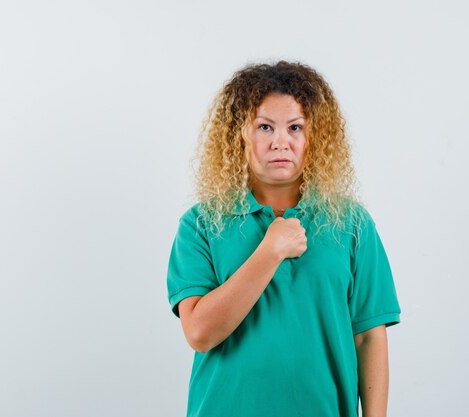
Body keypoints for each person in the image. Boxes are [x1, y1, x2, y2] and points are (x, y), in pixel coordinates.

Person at [166, 60, 402, 417]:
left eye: (295, 127)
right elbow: (199, 332)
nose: (281, 142)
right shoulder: (201, 224)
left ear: (315, 137)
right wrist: (270, 251)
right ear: (239, 135)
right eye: (264, 127)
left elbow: (369, 337)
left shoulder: (352, 223)